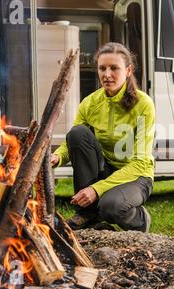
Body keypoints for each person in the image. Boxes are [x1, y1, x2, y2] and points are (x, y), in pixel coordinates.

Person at [51, 42, 155, 232]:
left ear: (128, 71)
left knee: (110, 206)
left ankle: (140, 219)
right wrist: (57, 157)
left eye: (114, 68)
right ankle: (87, 214)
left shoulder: (143, 105)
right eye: (102, 68)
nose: (107, 74)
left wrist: (96, 189)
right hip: (105, 168)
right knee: (78, 133)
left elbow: (140, 163)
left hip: (136, 176)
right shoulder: (90, 103)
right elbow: (73, 142)